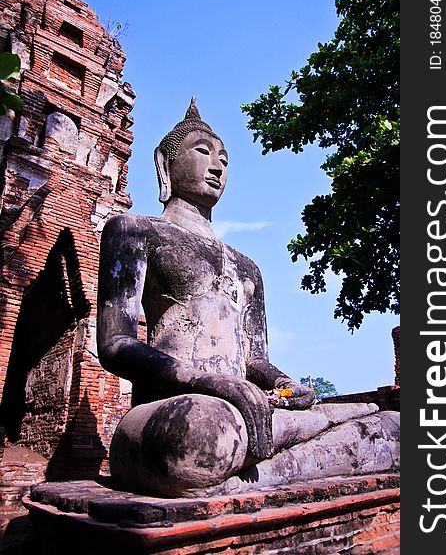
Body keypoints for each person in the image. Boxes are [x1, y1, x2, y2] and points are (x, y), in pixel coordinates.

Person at [97, 99, 399, 497]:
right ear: (164, 163)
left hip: (245, 410)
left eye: (224, 158)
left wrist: (286, 384)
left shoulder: (247, 267)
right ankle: (273, 461)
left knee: (392, 429)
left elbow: (254, 360)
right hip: (176, 410)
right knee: (200, 434)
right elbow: (115, 344)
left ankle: (250, 472)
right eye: (202, 151)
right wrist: (211, 383)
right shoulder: (135, 230)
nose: (217, 166)